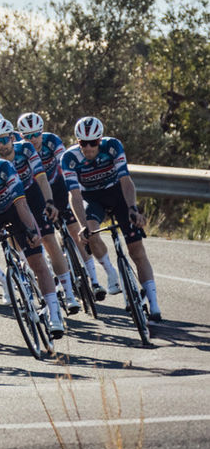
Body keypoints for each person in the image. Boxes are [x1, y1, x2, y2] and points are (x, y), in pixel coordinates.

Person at [0, 135, 67, 338]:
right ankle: (4, 279)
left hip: (14, 211)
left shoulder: (5, 169)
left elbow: (21, 204)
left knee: (38, 262)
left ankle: (54, 313)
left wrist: (32, 230)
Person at [61, 116, 160, 319]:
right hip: (91, 197)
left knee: (137, 250)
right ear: (77, 141)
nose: (88, 148)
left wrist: (132, 208)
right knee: (90, 229)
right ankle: (112, 273)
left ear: (100, 139)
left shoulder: (113, 146)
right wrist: (81, 226)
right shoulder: (69, 158)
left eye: (93, 143)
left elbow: (125, 180)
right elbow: (75, 195)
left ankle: (154, 304)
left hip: (117, 194)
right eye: (83, 143)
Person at [0, 117, 80, 314]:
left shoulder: (27, 150)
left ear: (12, 137)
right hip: (11, 201)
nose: (1, 145)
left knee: (49, 239)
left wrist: (49, 202)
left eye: (4, 139)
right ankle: (37, 276)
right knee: (24, 246)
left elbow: (42, 178)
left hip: (32, 194)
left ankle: (70, 295)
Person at [18, 111, 100, 295]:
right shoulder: (21, 150)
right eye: (27, 136)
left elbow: (64, 164)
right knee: (48, 238)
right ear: (21, 136)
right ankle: (58, 271)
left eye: (36, 134)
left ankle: (94, 280)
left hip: (58, 187)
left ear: (42, 132)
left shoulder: (52, 141)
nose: (33, 139)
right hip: (38, 193)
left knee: (74, 229)